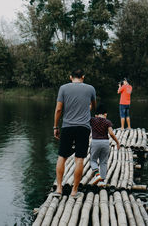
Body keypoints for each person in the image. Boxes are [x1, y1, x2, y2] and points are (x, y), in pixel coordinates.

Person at [53, 69, 96, 198]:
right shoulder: (90, 89)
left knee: (62, 157)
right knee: (79, 159)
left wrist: (55, 126)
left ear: (70, 77)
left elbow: (59, 109)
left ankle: (59, 189)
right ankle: (74, 191)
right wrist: (85, 108)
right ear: (83, 76)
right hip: (83, 128)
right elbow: (92, 106)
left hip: (67, 127)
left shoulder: (63, 88)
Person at [90, 104, 120, 186]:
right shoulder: (108, 122)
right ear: (105, 114)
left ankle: (97, 175)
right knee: (103, 162)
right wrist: (117, 142)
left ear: (97, 114)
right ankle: (102, 181)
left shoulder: (92, 120)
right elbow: (111, 133)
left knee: (93, 160)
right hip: (105, 143)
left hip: (95, 141)